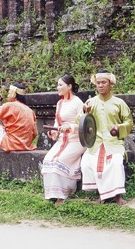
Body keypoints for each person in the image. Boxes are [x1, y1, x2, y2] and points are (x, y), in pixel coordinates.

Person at [80, 70, 133, 204]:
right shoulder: (90, 102)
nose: (100, 85)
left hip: (113, 142)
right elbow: (79, 121)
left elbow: (129, 122)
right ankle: (102, 194)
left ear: (111, 84)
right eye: (98, 83)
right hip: (95, 142)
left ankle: (117, 195)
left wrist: (119, 128)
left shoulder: (119, 103)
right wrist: (84, 112)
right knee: (87, 162)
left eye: (103, 82)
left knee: (115, 163)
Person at [41, 75, 86, 204]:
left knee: (59, 160)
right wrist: (53, 131)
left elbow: (85, 124)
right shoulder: (60, 103)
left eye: (60, 85)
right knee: (49, 160)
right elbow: (57, 122)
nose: (58, 87)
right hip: (62, 141)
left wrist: (70, 127)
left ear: (69, 86)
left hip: (76, 140)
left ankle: (64, 193)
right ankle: (52, 194)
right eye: (58, 85)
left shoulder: (77, 102)